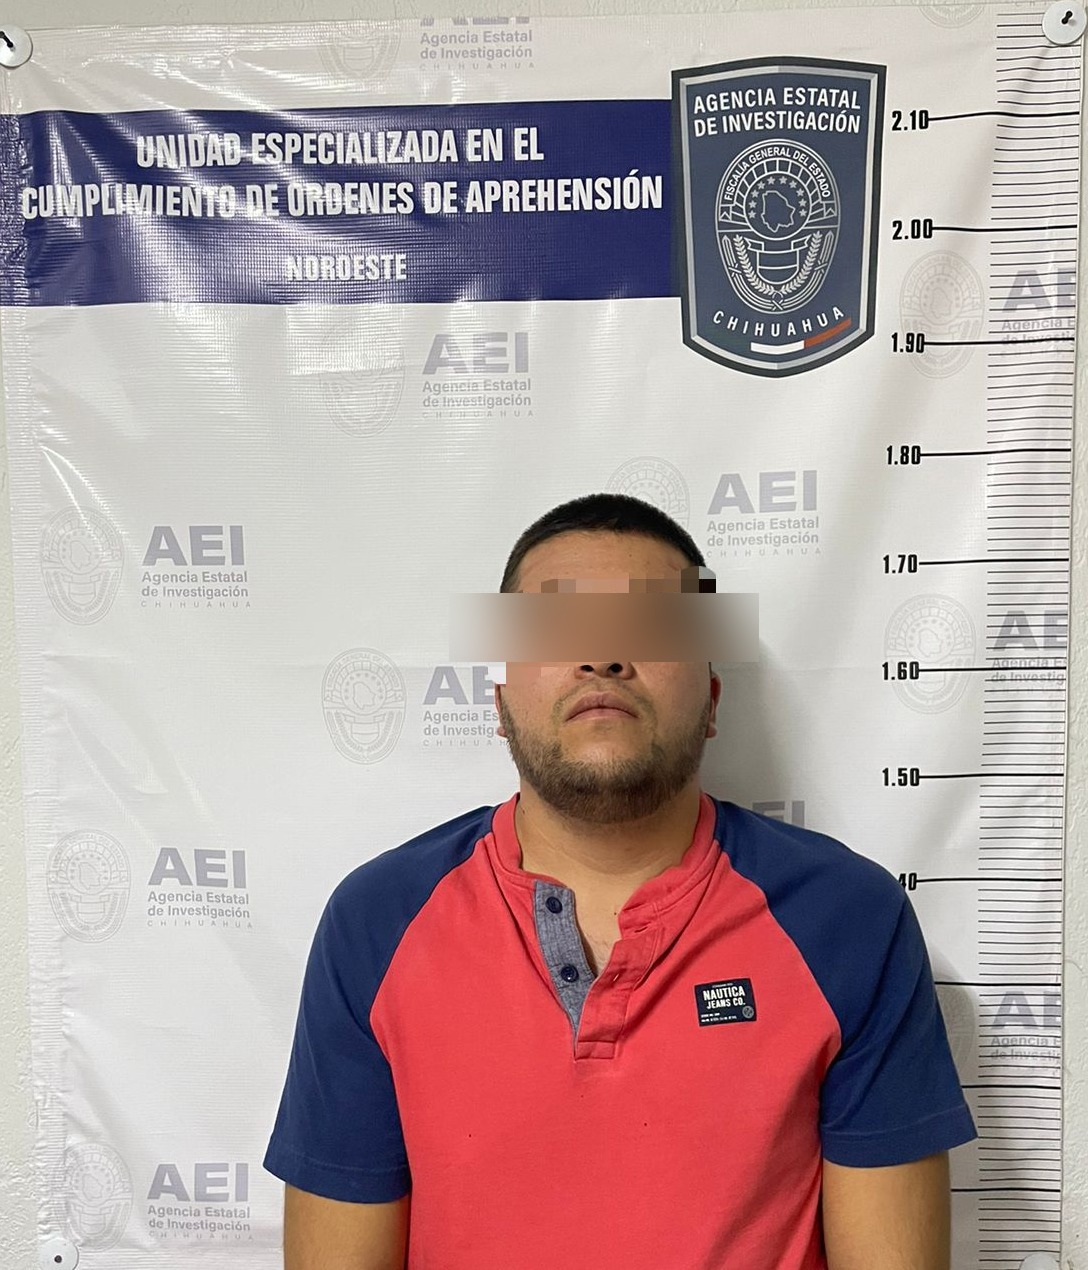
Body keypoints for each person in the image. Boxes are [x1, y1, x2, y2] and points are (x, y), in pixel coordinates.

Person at [264, 492, 977, 1270]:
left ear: (711, 699)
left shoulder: (849, 920)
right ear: (499, 702)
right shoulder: (376, 924)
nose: (602, 656)